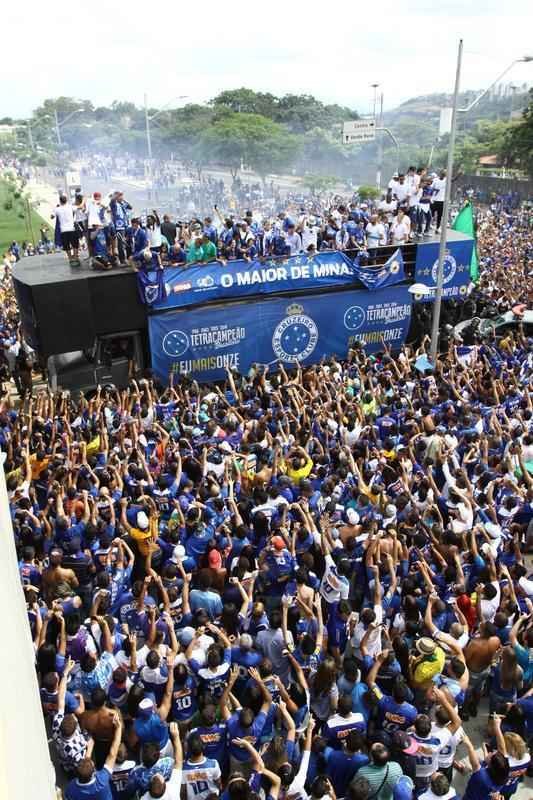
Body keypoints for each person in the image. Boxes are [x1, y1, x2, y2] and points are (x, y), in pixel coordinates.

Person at [54, 195, 80, 264]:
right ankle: (76, 257)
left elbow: (52, 216)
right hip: (71, 228)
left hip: (63, 230)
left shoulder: (57, 209)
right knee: (75, 244)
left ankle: (70, 259)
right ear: (66, 200)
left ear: (60, 201)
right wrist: (84, 200)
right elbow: (80, 207)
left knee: (66, 245)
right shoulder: (70, 207)